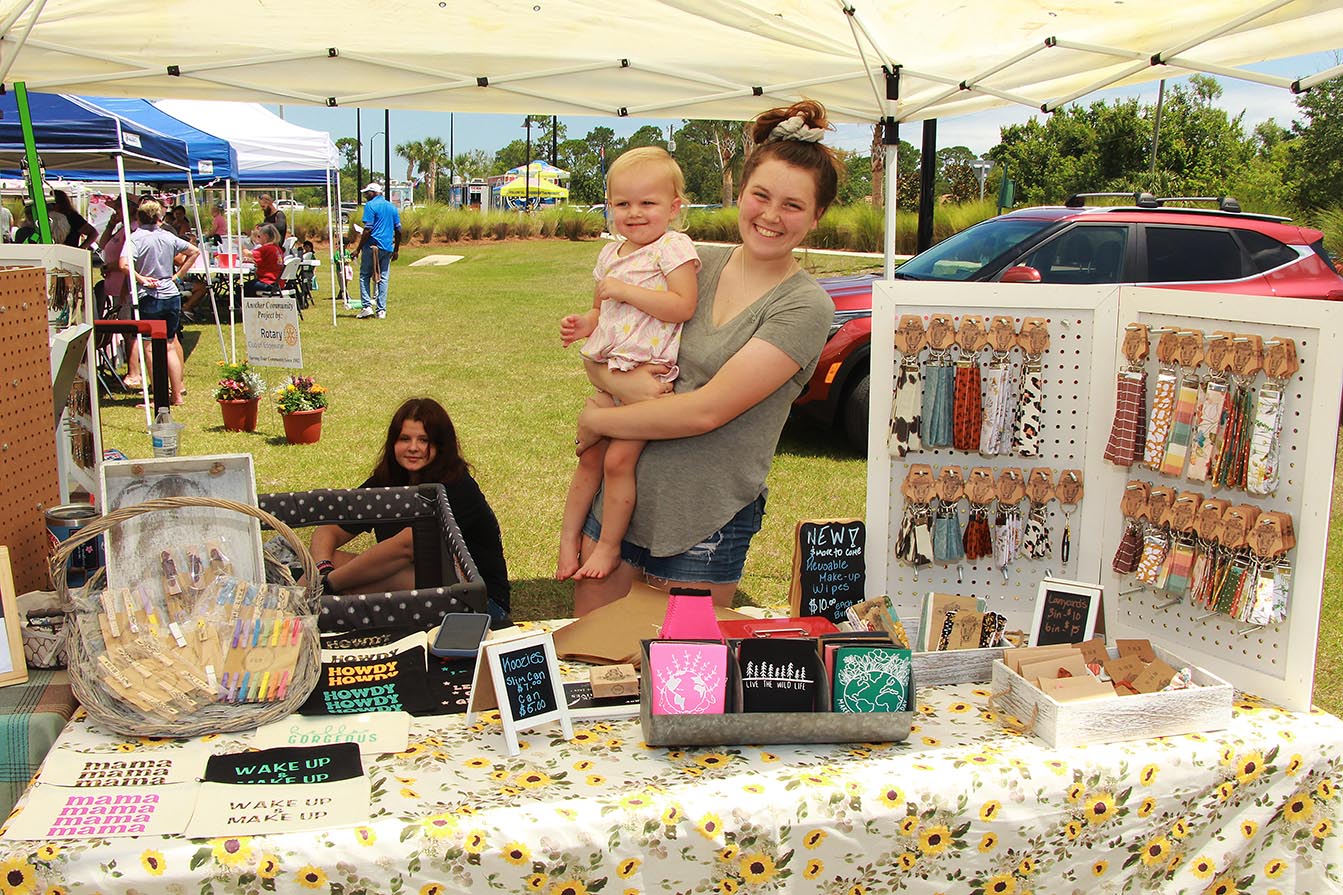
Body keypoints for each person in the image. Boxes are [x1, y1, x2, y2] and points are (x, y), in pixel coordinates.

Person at [571, 100, 842, 616]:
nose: (770, 216)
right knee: (592, 652)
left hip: (704, 519)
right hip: (620, 503)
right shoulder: (689, 263)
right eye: (760, 196)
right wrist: (618, 384)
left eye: (792, 205)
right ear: (741, 194)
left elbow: (707, 411)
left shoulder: (804, 305)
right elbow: (602, 345)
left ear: (817, 215)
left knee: (685, 663)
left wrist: (600, 418)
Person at [556, 147, 700, 581]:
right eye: (623, 203)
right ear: (610, 207)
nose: (634, 213)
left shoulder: (672, 248)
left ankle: (608, 546)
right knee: (589, 459)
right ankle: (567, 540)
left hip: (647, 381)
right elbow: (603, 312)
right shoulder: (611, 255)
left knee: (618, 462)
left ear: (674, 207)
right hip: (611, 374)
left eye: (647, 202)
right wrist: (584, 324)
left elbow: (683, 305)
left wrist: (625, 291)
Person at [307, 397, 511, 621]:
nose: (413, 448)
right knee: (326, 564)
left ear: (441, 445)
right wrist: (322, 569)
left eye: (424, 440)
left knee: (371, 578)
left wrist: (331, 583)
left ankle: (304, 611)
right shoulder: (386, 481)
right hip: (414, 584)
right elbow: (329, 529)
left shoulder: (457, 487)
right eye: (404, 438)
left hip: (478, 601)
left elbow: (406, 547)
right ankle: (296, 614)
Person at [123, 199, 200, 406]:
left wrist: (141, 279)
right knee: (170, 344)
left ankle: (159, 396)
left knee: (149, 347)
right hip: (171, 295)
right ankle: (176, 394)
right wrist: (178, 276)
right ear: (159, 218)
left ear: (138, 217)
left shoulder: (135, 238)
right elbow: (194, 251)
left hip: (150, 296)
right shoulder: (168, 236)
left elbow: (124, 264)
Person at [351, 182, 401, 319]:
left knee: (364, 275)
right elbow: (398, 230)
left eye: (367, 193)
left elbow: (368, 229)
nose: (365, 196)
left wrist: (358, 249)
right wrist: (396, 249)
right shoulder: (392, 207)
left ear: (373, 193)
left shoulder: (370, 205)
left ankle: (367, 306)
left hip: (372, 246)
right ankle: (381, 310)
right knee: (383, 278)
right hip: (387, 247)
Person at [243, 223, 284, 296]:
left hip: (268, 282)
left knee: (241, 287)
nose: (258, 239)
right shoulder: (277, 248)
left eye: (259, 236)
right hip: (277, 282)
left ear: (265, 236)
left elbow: (248, 254)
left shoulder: (267, 248)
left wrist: (240, 245)